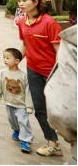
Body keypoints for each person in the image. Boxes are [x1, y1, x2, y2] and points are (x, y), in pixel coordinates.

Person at [17, 0, 63, 156]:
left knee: (59, 110)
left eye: (24, 1)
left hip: (52, 73)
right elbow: (25, 45)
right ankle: (53, 143)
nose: (21, 4)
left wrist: (58, 73)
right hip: (33, 70)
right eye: (19, 1)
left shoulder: (49, 23)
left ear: (35, 2)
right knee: (40, 109)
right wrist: (15, 60)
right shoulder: (21, 22)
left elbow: (59, 50)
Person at [45, 26, 77, 164]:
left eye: (24, 1)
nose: (21, 3)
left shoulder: (72, 39)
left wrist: (68, 132)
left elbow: (63, 112)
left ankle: (53, 144)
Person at [0, 48, 34, 153]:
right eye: (4, 58)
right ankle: (16, 130)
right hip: (9, 102)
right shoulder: (2, 72)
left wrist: (29, 106)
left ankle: (25, 140)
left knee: (23, 121)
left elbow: (29, 91)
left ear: (17, 61)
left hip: (21, 104)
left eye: (8, 58)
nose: (5, 60)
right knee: (12, 119)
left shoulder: (23, 75)